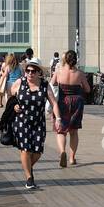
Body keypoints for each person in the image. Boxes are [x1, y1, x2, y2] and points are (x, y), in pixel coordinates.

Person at [10, 56, 51, 190]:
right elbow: (11, 95)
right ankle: (29, 178)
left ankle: (26, 166)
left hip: (38, 122)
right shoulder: (20, 82)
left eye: (33, 71)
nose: (30, 73)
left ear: (39, 72)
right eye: (28, 70)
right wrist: (15, 104)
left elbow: (54, 103)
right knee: (25, 149)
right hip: (21, 121)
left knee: (37, 151)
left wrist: (59, 119)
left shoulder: (45, 85)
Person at [51, 50, 89, 166]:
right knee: (74, 131)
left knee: (61, 131)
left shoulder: (59, 71)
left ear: (65, 59)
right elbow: (87, 89)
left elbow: (52, 83)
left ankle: (62, 151)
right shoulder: (80, 73)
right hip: (77, 102)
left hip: (63, 102)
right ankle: (72, 158)